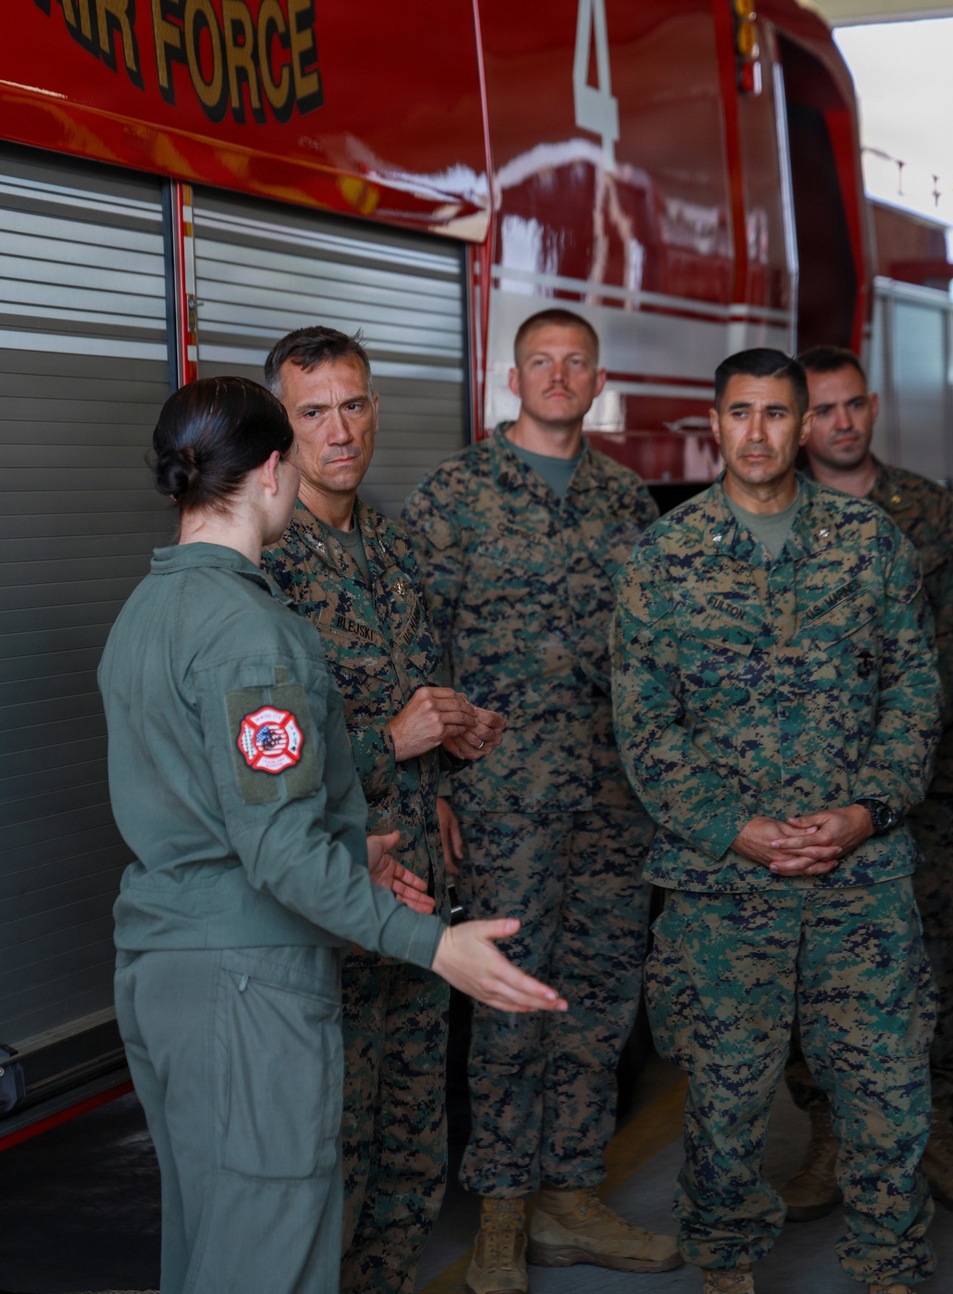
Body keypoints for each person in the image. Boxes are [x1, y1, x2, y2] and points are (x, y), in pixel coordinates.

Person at [98, 375, 566, 1294]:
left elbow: (210, 814)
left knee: (213, 1245)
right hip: (250, 986)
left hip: (167, 967)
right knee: (272, 1256)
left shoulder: (145, 611)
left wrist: (349, 852)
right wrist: (435, 946)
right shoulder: (252, 631)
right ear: (275, 469)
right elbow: (272, 851)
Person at [611, 347, 941, 1294]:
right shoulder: (663, 560)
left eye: (776, 414)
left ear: (804, 426)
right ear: (713, 424)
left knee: (886, 1097)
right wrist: (736, 829)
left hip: (860, 876)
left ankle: (889, 1268)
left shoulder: (868, 543)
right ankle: (724, 1267)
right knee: (724, 1101)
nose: (757, 433)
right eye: (740, 413)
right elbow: (645, 725)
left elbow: (914, 692)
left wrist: (864, 812)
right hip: (724, 888)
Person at [402, 310, 679, 1294]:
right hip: (503, 801)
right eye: (539, 363)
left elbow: (653, 647)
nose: (558, 378)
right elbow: (412, 643)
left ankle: (568, 1197)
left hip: (613, 801)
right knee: (511, 1002)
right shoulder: (457, 494)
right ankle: (503, 1218)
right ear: (508, 375)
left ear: (596, 378)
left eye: (574, 364)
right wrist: (431, 781)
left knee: (598, 1005)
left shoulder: (623, 497)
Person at [261, 326, 504, 1293]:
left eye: (353, 404)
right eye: (313, 411)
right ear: (279, 431)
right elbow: (255, 762)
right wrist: (387, 747)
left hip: (416, 894)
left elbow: (414, 700)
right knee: (330, 1140)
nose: (339, 430)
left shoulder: (396, 548)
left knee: (411, 1141)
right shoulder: (264, 566)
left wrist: (445, 758)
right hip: (328, 895)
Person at [777, 345, 953, 1218]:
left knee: (932, 958)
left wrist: (883, 744)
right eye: (821, 410)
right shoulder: (774, 516)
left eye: (853, 404)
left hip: (927, 787)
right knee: (809, 971)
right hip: (809, 792)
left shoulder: (933, 514)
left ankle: (930, 1131)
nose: (841, 423)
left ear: (872, 407)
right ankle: (830, 1135)